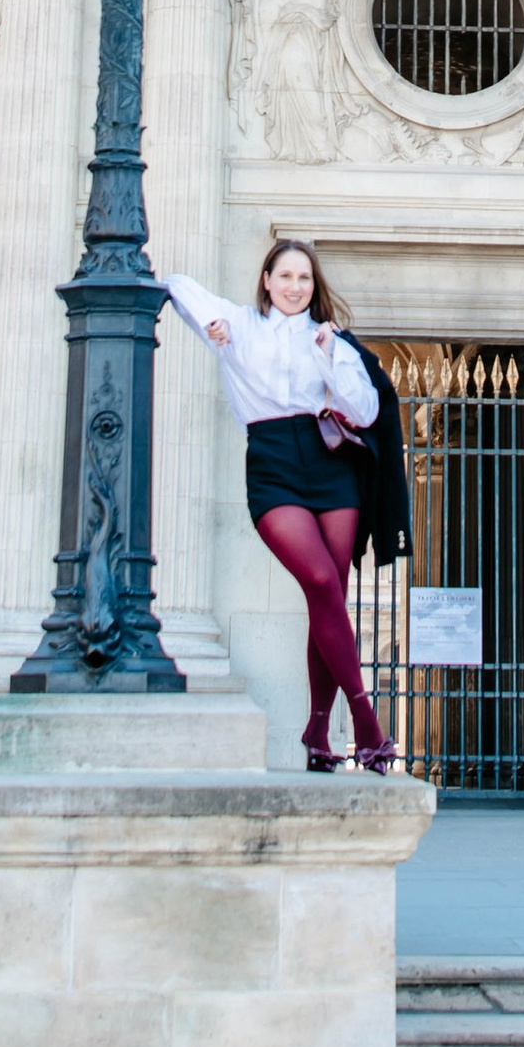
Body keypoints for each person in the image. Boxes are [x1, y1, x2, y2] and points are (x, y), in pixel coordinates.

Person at [164, 237, 408, 771]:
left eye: (305, 279)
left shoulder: (331, 342)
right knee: (321, 582)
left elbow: (366, 411)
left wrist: (328, 360)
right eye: (286, 277)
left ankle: (319, 731)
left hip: (331, 465)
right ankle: (365, 721)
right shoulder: (239, 327)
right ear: (267, 281)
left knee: (331, 596)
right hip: (273, 467)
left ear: (313, 286)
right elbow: (180, 288)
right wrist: (202, 320)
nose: (295, 287)